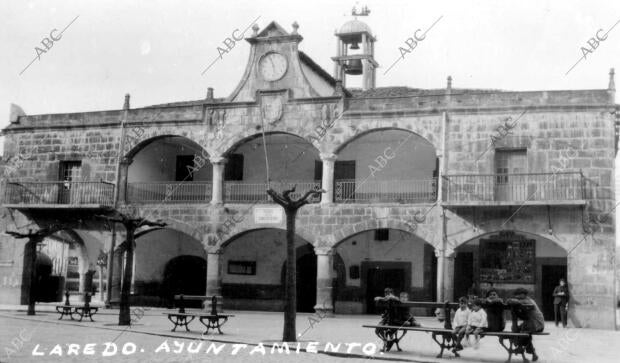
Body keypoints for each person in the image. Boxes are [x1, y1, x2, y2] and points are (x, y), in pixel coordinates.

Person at [507, 288, 544, 362]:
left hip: (536, 324)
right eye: (516, 295)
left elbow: (513, 301)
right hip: (530, 323)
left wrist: (512, 300)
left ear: (523, 294)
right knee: (519, 331)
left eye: (518, 295)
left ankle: (520, 346)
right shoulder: (523, 301)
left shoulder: (528, 301)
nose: (517, 296)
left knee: (523, 333)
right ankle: (532, 353)